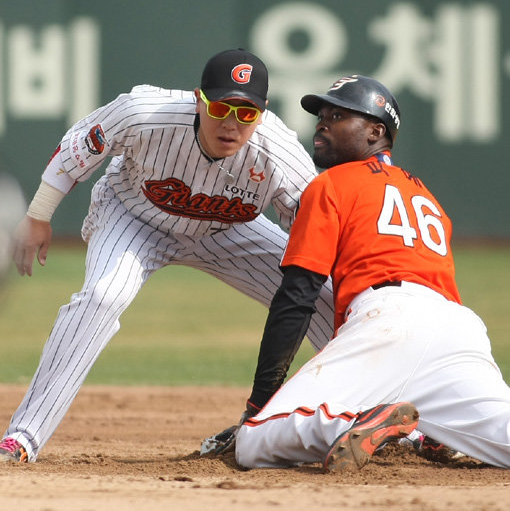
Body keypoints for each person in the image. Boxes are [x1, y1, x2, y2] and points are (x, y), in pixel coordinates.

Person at [0, 49, 335, 464]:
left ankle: (393, 423)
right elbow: (78, 147)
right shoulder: (147, 112)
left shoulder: (279, 153)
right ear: (199, 99)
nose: (231, 123)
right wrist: (38, 216)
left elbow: (320, 226)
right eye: (221, 107)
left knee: (331, 299)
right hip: (134, 217)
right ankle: (23, 438)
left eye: (246, 114)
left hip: (227, 231)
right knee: (104, 296)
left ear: (262, 114)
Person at [218, 74, 510, 471]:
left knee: (254, 441)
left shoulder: (331, 184)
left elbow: (298, 296)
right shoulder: (426, 196)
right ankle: (427, 432)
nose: (322, 124)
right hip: (459, 330)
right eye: (321, 115)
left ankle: (357, 421)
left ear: (376, 131)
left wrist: (258, 404)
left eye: (338, 115)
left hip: (388, 321)